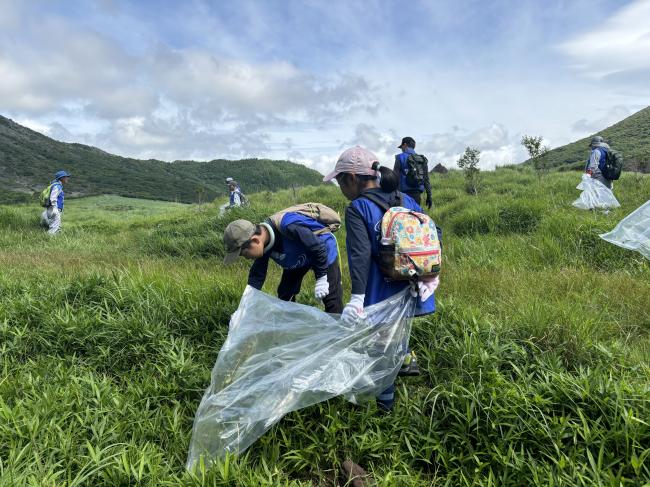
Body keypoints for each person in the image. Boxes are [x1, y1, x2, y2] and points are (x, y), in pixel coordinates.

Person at [324, 146, 440, 411]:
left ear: (352, 178)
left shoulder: (358, 208)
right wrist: (431, 275)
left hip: (380, 292)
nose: (340, 187)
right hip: (412, 288)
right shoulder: (405, 199)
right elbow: (435, 233)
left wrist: (357, 298)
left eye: (339, 180)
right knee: (395, 338)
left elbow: (360, 256)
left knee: (380, 351)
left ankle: (385, 412)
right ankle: (405, 359)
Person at [223, 210, 344, 314]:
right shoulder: (263, 243)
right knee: (285, 293)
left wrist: (321, 277)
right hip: (298, 258)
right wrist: (245, 306)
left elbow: (318, 247)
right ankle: (292, 324)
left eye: (243, 254)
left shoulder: (288, 226)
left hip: (323, 252)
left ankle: (340, 334)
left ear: (255, 240)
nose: (246, 258)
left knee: (331, 298)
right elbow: (257, 275)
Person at [393, 136, 432, 209]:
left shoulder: (400, 157)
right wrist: (429, 196)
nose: (401, 149)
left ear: (405, 145)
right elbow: (426, 179)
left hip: (403, 196)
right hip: (417, 195)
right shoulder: (422, 159)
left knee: (404, 218)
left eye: (401, 147)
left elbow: (394, 177)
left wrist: (392, 194)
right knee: (415, 217)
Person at [40, 170, 70, 235]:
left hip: (52, 209)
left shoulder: (55, 185)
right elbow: (53, 198)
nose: (68, 178)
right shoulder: (57, 186)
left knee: (57, 227)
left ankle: (57, 240)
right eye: (66, 177)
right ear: (62, 178)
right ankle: (47, 239)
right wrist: (55, 209)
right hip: (54, 209)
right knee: (54, 228)